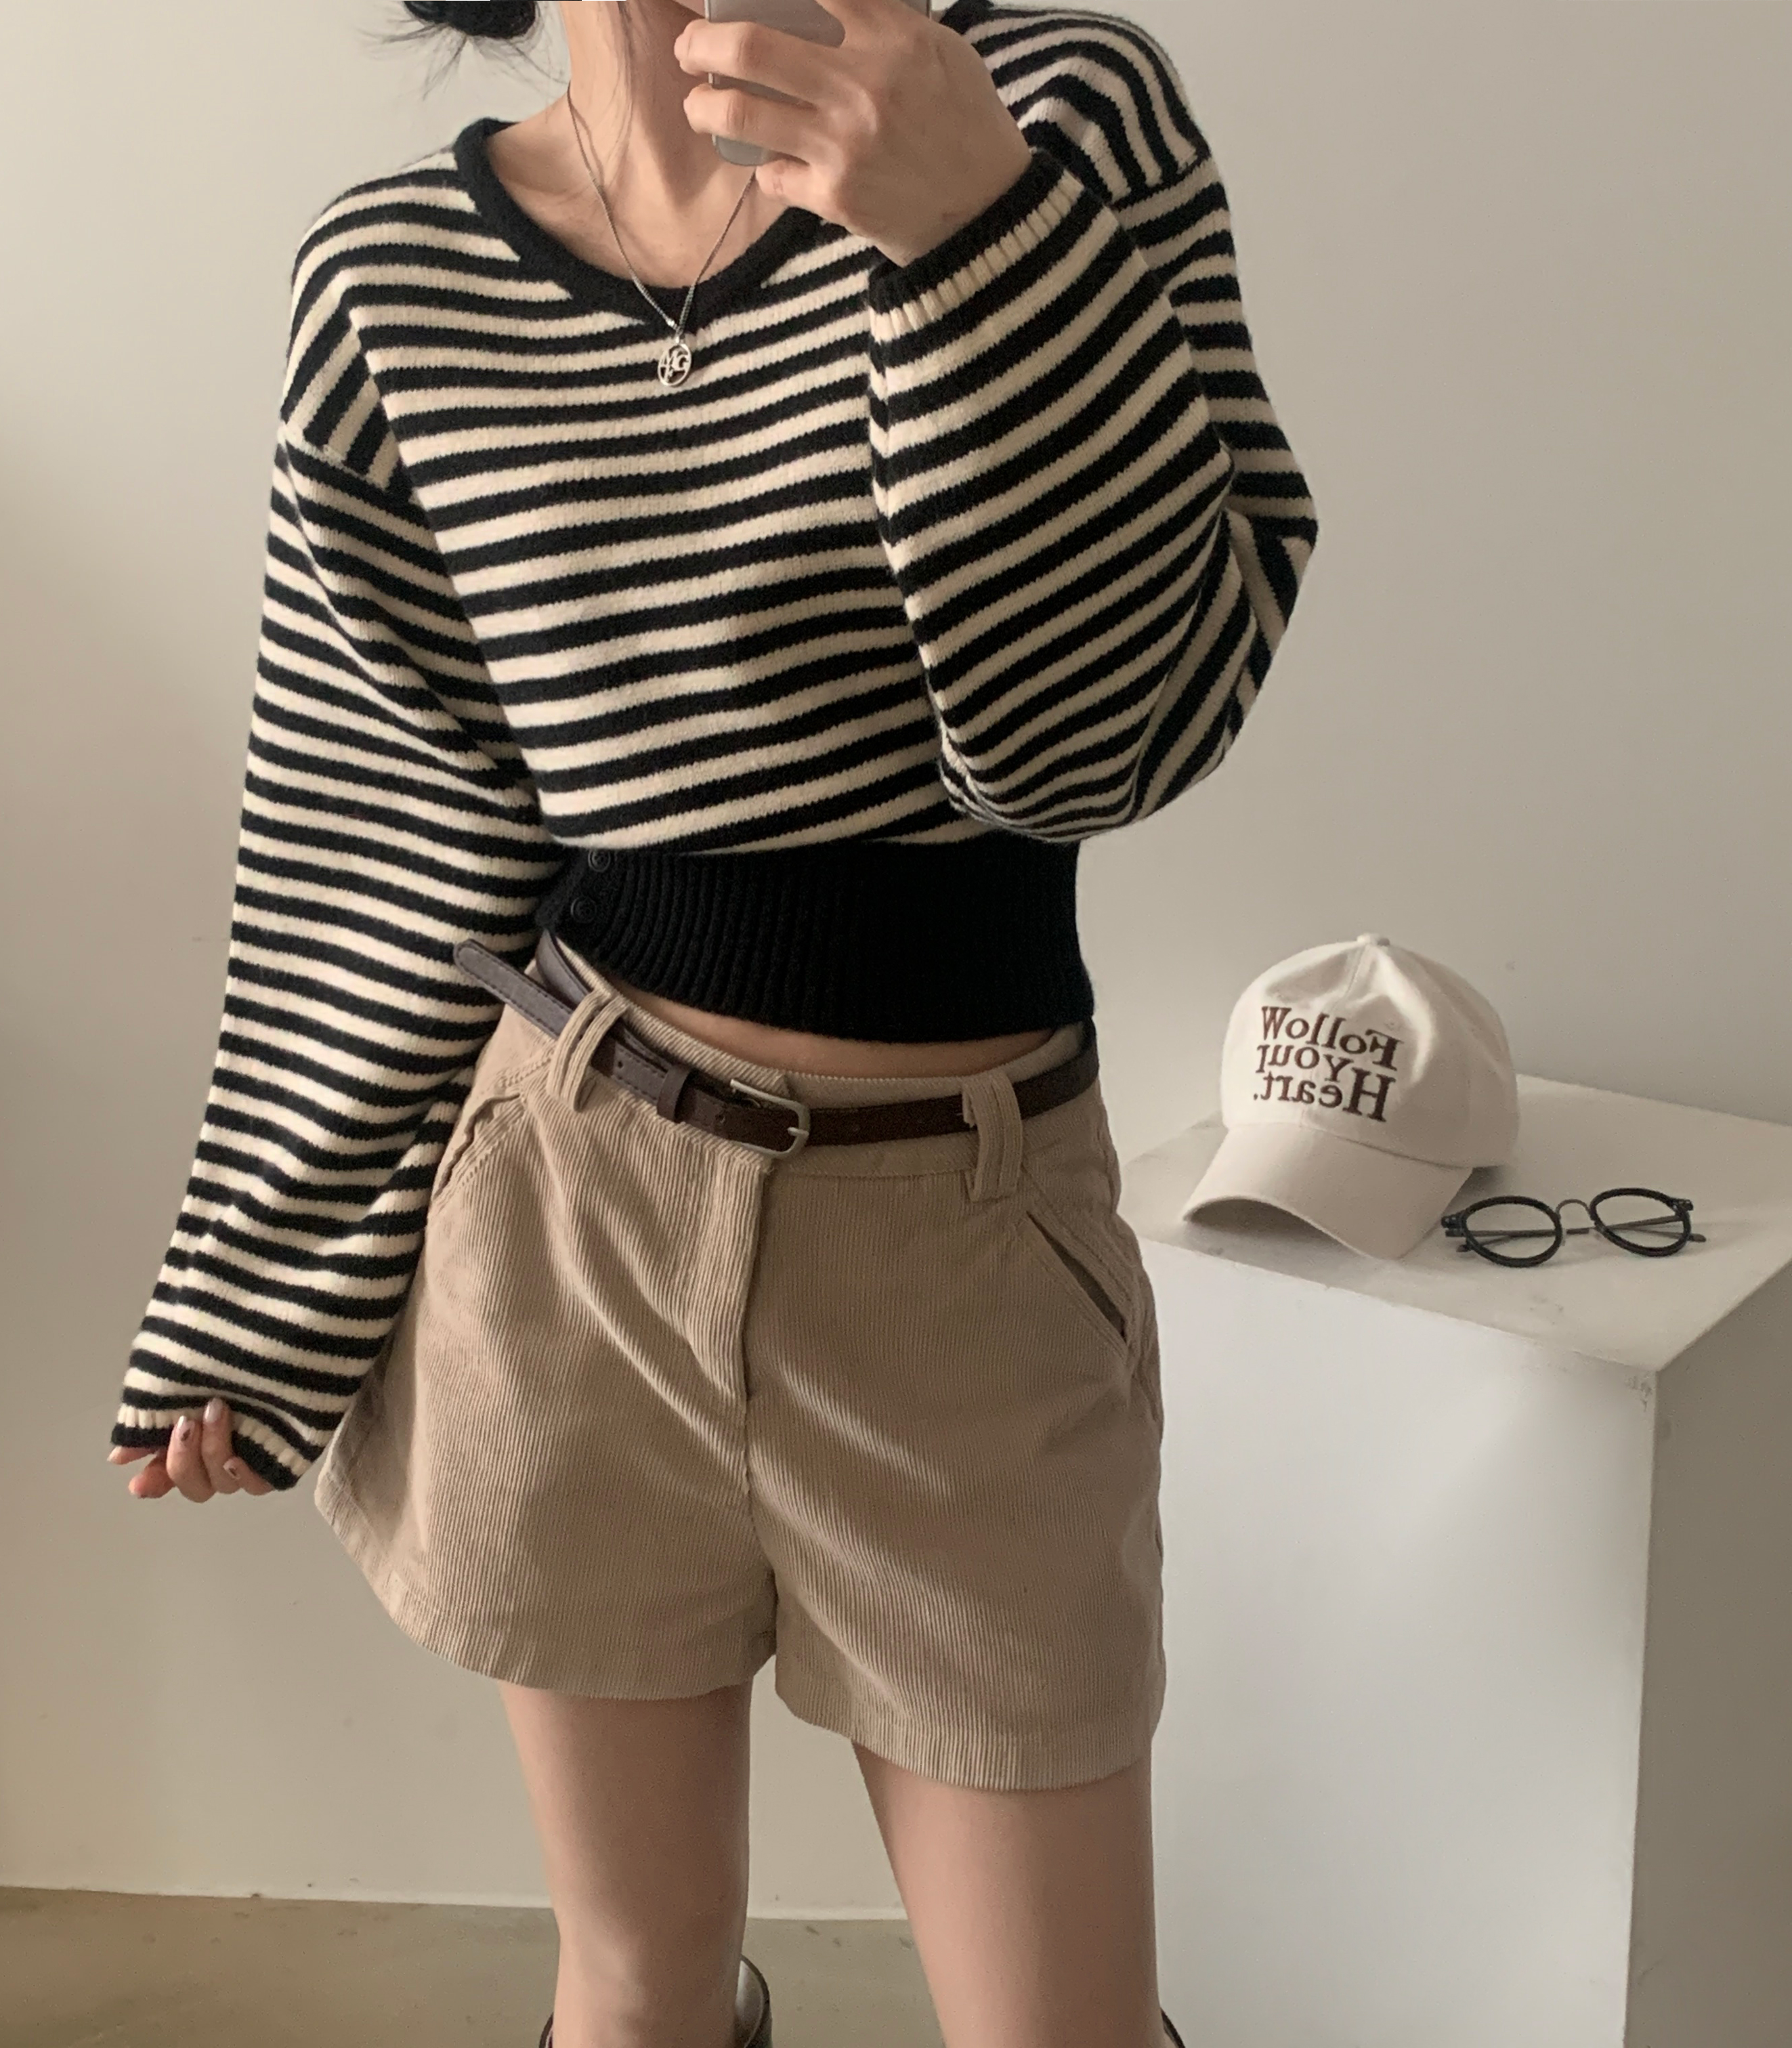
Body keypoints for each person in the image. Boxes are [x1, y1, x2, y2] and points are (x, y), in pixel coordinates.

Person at [107, 0, 1317, 2041]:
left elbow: (1113, 740)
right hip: (572, 1217)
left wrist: (977, 244)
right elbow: (383, 833)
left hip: (961, 1237)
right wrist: (257, 1287)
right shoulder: (398, 277)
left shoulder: (1044, 112)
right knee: (637, 1989)